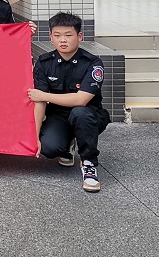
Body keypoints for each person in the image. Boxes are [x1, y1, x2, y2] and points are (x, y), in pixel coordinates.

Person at [28, 12, 111, 193]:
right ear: (51, 37)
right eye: (57, 35)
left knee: (80, 113)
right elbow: (38, 102)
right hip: (58, 116)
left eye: (68, 35)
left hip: (88, 114)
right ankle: (68, 145)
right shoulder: (44, 63)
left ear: (79, 36)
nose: (63, 40)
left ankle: (89, 164)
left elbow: (81, 99)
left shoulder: (93, 63)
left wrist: (44, 96)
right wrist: (34, 138)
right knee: (49, 148)